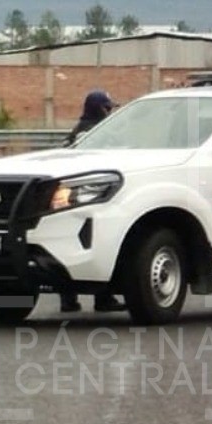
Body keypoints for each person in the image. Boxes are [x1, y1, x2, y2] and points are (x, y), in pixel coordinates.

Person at [60, 90, 125, 313]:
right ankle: (103, 299)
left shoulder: (76, 131)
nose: (110, 112)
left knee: (67, 246)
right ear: (99, 108)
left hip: (68, 197)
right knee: (100, 243)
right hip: (93, 196)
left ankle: (68, 300)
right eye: (107, 108)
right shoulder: (99, 132)